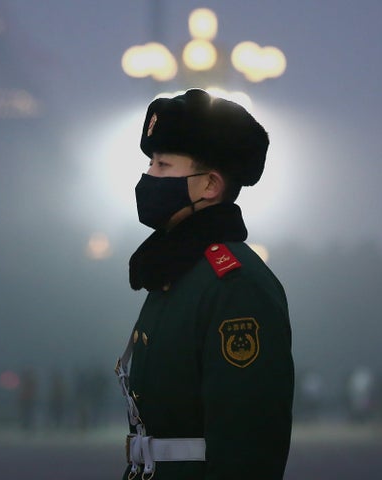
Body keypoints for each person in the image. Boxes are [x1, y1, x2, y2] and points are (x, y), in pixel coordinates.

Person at [115, 89, 294, 480]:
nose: (149, 176)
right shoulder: (177, 272)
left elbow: (249, 446)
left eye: (163, 165)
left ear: (210, 186)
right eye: (150, 162)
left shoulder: (235, 284)